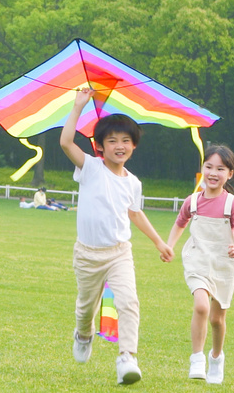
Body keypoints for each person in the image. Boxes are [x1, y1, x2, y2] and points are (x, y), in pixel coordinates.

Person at [60, 88, 174, 385]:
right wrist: (78, 106)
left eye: (125, 140)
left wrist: (159, 242)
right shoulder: (90, 168)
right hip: (87, 254)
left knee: (128, 302)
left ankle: (127, 357)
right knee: (86, 308)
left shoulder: (133, 183)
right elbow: (65, 142)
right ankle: (83, 334)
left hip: (119, 252)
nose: (119, 146)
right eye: (112, 141)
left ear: (134, 145)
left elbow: (135, 213)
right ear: (100, 146)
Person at [166, 145, 234, 384]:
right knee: (201, 306)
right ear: (202, 169)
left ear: (229, 174)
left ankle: (216, 357)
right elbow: (180, 223)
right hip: (197, 260)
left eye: (220, 169)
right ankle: (197, 358)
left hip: (224, 264)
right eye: (209, 167)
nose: (213, 173)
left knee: (216, 319)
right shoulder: (192, 201)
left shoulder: (231, 204)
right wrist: (169, 246)